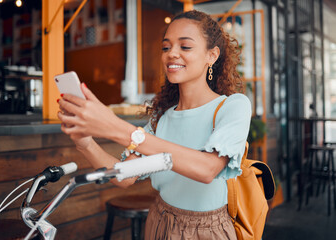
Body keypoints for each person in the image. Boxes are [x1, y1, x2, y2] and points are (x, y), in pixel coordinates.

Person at [58, 10, 251, 240]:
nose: (172, 54)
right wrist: (84, 143)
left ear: (212, 55)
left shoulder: (233, 106)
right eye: (166, 47)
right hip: (160, 221)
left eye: (185, 47)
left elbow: (207, 169)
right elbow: (125, 177)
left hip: (206, 231)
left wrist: (117, 128)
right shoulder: (162, 119)